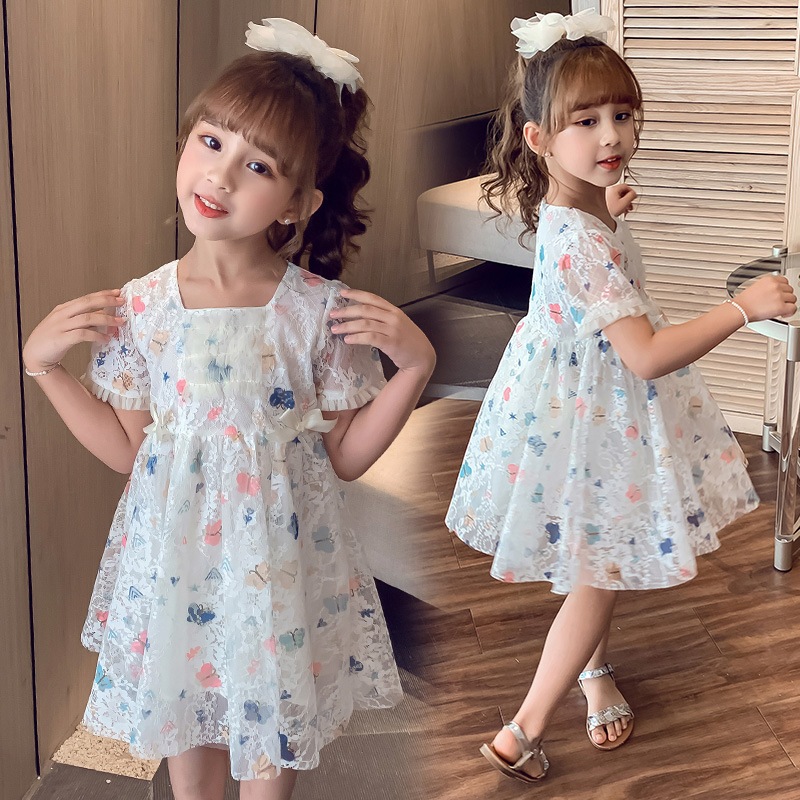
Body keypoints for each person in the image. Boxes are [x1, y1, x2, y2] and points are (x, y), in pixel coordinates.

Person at [22, 18, 435, 800]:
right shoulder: (141, 308)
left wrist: (415, 366)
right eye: (211, 142)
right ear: (184, 143)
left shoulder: (316, 310)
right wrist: (43, 367)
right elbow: (130, 452)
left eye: (257, 165)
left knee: (268, 737)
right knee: (190, 735)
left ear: (298, 202)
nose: (219, 177)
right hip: (179, 564)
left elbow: (345, 458)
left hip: (278, 569)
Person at [445, 10, 796, 784]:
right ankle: (523, 728)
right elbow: (644, 355)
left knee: (592, 550)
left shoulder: (576, 210)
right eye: (587, 121)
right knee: (599, 572)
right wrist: (743, 309)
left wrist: (612, 213)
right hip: (595, 410)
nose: (612, 136)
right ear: (539, 138)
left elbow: (594, 260)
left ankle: (591, 672)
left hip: (580, 407)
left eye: (623, 114)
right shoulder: (577, 241)